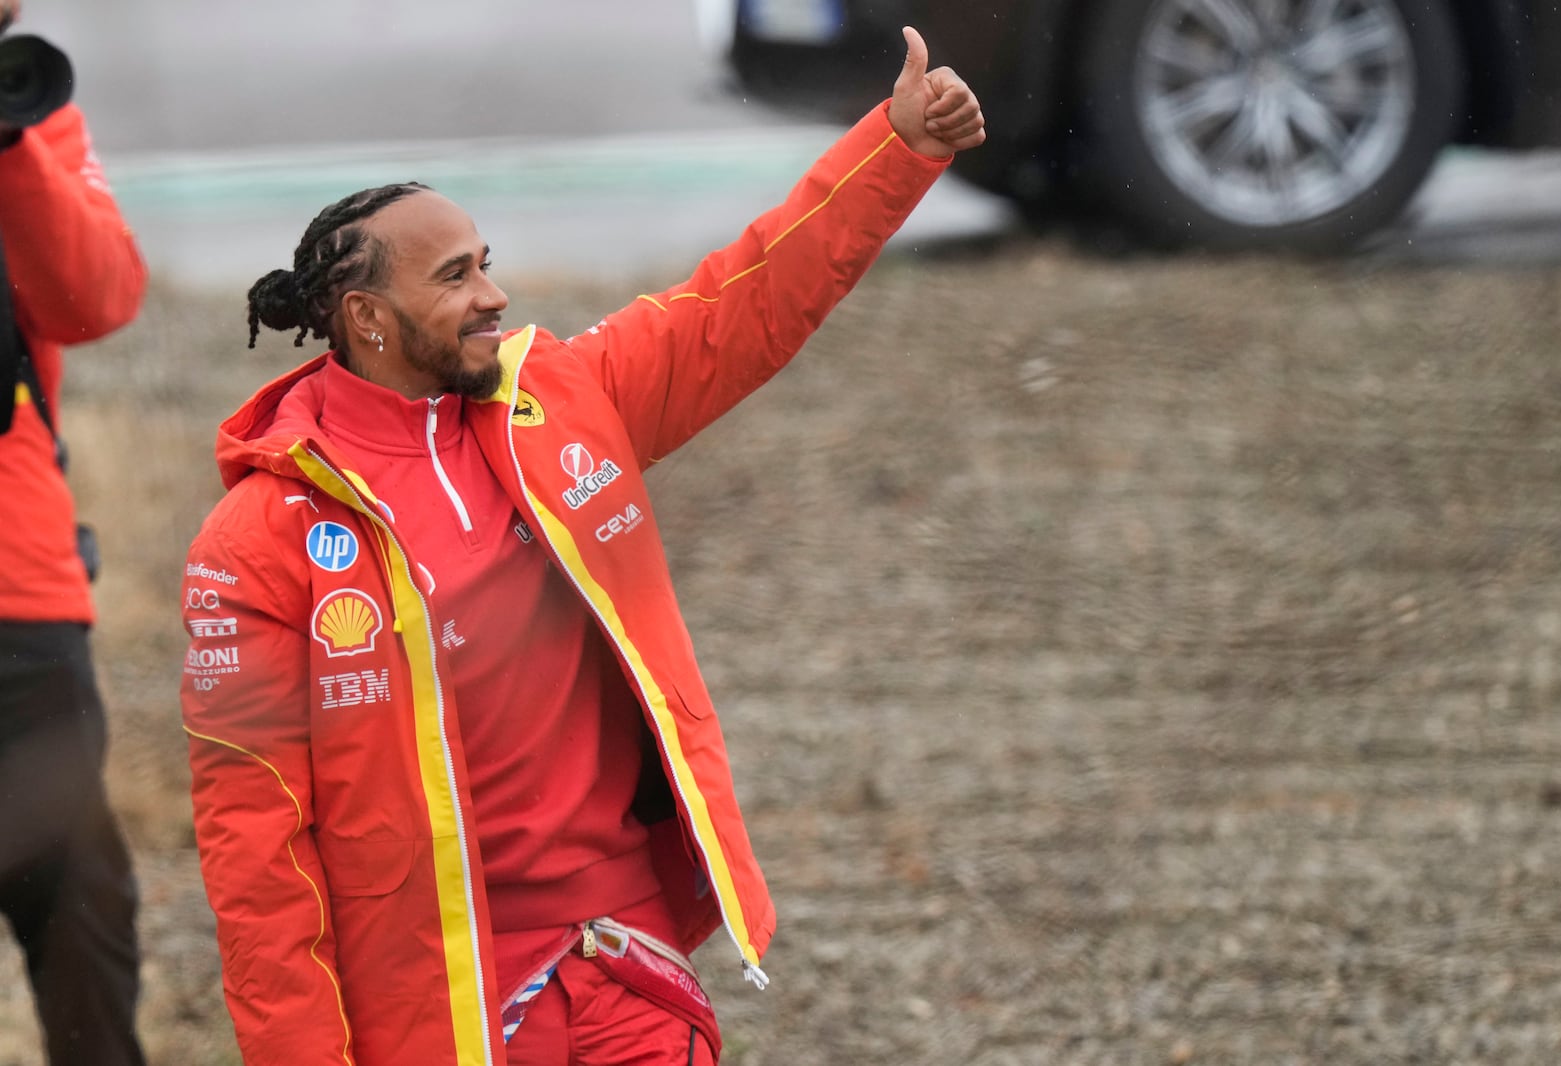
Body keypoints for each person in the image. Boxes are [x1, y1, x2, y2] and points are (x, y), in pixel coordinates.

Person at [179, 25, 983, 1066]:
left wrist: (896, 145)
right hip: (436, 1004)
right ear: (369, 320)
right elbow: (257, 859)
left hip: (623, 959)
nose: (494, 295)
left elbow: (741, 304)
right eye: (457, 277)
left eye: (488, 264)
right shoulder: (251, 545)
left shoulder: (559, 400)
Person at [0, 2, 150, 1064]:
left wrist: (8, 135)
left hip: (16, 581)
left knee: (78, 910)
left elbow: (96, 293)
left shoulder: (24, 105)